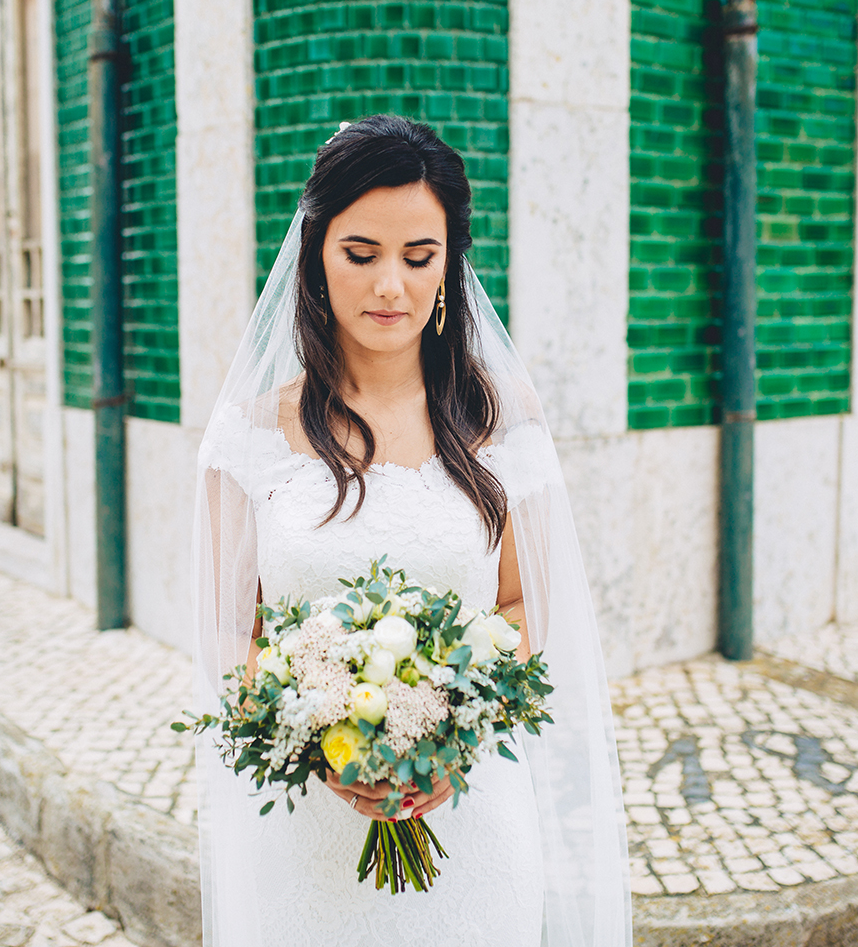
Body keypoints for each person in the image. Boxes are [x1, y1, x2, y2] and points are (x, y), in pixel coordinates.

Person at [192, 115, 631, 947]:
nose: (390, 285)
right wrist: (320, 744)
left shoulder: (503, 424)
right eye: (362, 254)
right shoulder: (248, 438)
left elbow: (523, 608)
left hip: (473, 824)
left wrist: (454, 738)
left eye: (418, 257)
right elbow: (225, 627)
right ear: (317, 255)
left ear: (449, 268)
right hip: (307, 840)